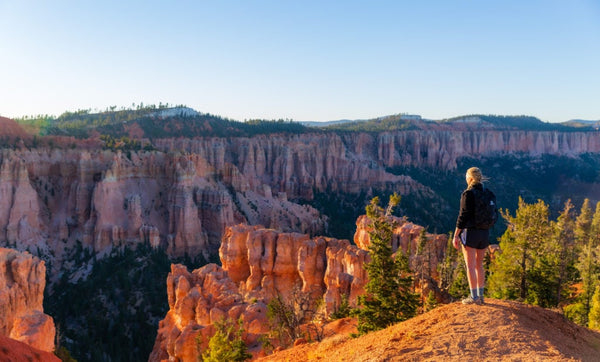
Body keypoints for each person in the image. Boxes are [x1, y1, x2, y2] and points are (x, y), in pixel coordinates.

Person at [452, 167, 500, 305]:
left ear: (471, 178)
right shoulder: (488, 193)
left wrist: (456, 235)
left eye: (467, 176)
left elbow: (463, 216)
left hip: (470, 233)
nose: (466, 179)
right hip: (484, 233)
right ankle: (481, 296)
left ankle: (474, 297)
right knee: (480, 265)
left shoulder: (468, 194)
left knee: (470, 266)